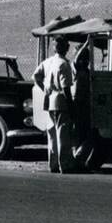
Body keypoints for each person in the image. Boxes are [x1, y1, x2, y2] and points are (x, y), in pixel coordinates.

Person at [33, 37, 76, 173]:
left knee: (52, 135)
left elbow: (36, 76)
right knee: (63, 135)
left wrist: (45, 89)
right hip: (61, 102)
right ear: (66, 47)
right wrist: (71, 105)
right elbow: (66, 88)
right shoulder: (64, 64)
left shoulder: (48, 62)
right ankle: (65, 164)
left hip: (49, 100)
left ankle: (53, 164)